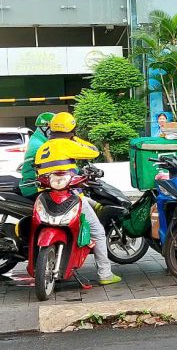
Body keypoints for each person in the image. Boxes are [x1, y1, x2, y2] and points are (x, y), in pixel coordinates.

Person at [34, 112, 121, 285]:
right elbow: (94, 152)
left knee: (89, 202)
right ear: (71, 129)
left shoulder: (43, 147)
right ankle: (105, 274)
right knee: (98, 231)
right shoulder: (67, 144)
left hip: (46, 196)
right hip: (68, 196)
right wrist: (75, 138)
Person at [19, 112, 54, 198]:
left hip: (42, 185)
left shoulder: (39, 140)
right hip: (35, 187)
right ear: (45, 128)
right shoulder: (39, 145)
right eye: (53, 129)